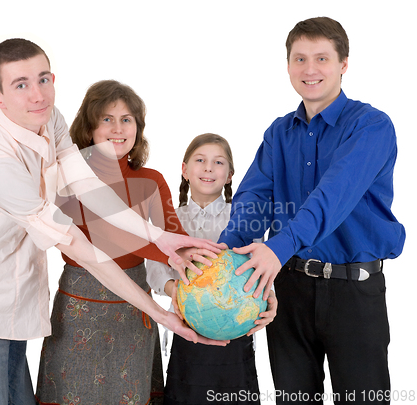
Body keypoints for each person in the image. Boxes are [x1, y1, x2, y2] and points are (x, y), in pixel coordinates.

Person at [0, 39, 225, 405]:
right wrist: (159, 313)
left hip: (11, 306)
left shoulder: (49, 118)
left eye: (43, 79)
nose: (38, 95)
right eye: (21, 84)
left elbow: (85, 183)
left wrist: (158, 237)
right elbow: (81, 247)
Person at [218, 17, 405, 404]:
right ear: (288, 66)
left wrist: (277, 247)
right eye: (299, 59)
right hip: (288, 288)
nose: (310, 69)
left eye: (322, 58)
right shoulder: (278, 133)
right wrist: (224, 252)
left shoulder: (371, 126)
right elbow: (254, 198)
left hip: (354, 293)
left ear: (343, 64)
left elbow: (332, 196)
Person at [35, 80, 215, 405]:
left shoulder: (152, 180)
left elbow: (173, 237)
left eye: (127, 119)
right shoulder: (68, 176)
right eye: (107, 119)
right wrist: (169, 251)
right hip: (80, 308)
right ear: (89, 127)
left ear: (138, 128)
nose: (118, 128)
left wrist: (215, 268)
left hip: (134, 312)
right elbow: (101, 235)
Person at [147, 133, 278, 404]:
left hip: (236, 332)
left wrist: (269, 296)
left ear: (230, 175)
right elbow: (155, 269)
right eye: (200, 160)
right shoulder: (169, 218)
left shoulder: (244, 219)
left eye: (218, 162)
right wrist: (176, 291)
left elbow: (261, 266)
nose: (208, 167)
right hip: (187, 327)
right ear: (184, 170)